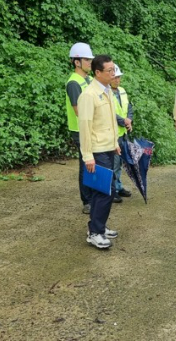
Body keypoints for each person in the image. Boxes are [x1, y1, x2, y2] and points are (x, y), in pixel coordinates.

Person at [78, 55, 121, 249]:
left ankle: (98, 227)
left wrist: (115, 143)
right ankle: (95, 232)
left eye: (114, 70)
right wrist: (87, 156)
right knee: (105, 191)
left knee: (102, 191)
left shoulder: (107, 91)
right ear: (98, 73)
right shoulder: (88, 95)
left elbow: (109, 120)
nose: (113, 74)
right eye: (110, 70)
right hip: (96, 151)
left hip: (108, 147)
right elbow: (85, 127)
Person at [66, 42, 95, 214]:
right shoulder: (73, 83)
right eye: (87, 59)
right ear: (77, 62)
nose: (90, 62)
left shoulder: (89, 80)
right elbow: (78, 111)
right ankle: (87, 200)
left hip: (91, 127)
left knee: (93, 162)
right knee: (86, 163)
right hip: (80, 129)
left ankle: (94, 195)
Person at [110, 64, 133, 203]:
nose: (118, 80)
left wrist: (129, 120)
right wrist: (123, 121)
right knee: (113, 163)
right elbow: (110, 114)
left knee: (120, 163)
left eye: (119, 77)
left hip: (123, 132)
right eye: (115, 77)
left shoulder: (122, 91)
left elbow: (129, 107)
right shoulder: (106, 92)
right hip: (114, 133)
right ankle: (112, 191)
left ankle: (118, 187)